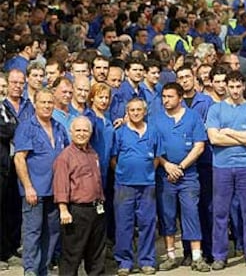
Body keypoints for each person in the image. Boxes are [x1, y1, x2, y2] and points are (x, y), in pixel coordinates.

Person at [206, 70, 246, 270]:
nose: (235, 90)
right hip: (222, 167)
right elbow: (214, 138)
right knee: (220, 213)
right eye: (231, 86)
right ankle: (219, 256)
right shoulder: (215, 110)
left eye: (239, 86)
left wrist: (229, 132)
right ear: (226, 87)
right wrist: (243, 137)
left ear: (244, 86)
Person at [155, 82, 210, 272]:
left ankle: (197, 256)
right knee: (167, 215)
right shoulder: (156, 119)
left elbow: (199, 146)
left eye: (170, 96)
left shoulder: (193, 117)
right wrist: (167, 165)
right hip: (164, 175)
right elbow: (152, 147)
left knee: (191, 213)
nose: (166, 100)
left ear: (179, 98)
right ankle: (170, 255)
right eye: (163, 96)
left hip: (188, 175)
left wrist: (180, 166)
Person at [14, 88, 69, 276]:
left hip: (55, 190)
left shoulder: (59, 127)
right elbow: (19, 158)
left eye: (49, 102)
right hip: (34, 191)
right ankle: (30, 271)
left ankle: (43, 270)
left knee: (52, 233)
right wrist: (28, 187)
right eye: (43, 102)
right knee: (33, 232)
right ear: (35, 104)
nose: (47, 106)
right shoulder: (26, 126)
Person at [111, 99, 161, 276]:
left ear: (145, 112)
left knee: (147, 223)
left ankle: (146, 261)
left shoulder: (153, 131)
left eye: (139, 109)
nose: (136, 113)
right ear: (127, 112)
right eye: (132, 110)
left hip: (147, 185)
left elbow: (157, 156)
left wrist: (147, 172)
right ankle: (124, 261)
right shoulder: (120, 132)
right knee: (124, 224)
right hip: (124, 185)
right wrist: (122, 172)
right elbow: (113, 157)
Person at [52, 116, 106, 275]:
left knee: (96, 252)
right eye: (78, 130)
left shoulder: (92, 153)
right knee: (72, 253)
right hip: (76, 211)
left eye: (85, 130)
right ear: (71, 132)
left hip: (96, 209)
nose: (82, 134)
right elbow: (60, 184)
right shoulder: (65, 157)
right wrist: (63, 210)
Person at [0, 76, 18, 271]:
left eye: (5, 86)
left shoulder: (5, 108)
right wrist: (11, 129)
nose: (3, 90)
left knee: (5, 211)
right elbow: (7, 129)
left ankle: (5, 251)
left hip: (6, 166)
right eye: (1, 86)